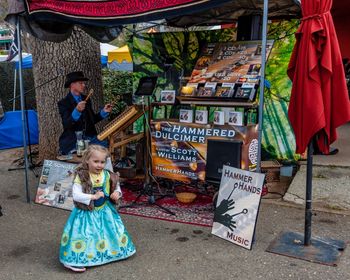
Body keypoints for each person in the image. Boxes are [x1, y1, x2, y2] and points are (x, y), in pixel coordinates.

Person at [59, 145, 136, 272]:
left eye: (102, 162)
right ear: (87, 160)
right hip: (87, 212)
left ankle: (112, 251)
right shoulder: (82, 176)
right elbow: (76, 195)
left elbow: (116, 187)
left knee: (109, 230)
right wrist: (92, 196)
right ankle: (73, 259)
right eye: (96, 161)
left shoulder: (108, 175)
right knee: (85, 235)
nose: (99, 165)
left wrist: (117, 193)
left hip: (105, 210)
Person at [58, 71, 112, 155]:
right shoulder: (64, 103)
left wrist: (103, 112)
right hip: (73, 140)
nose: (84, 85)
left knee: (107, 146)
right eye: (81, 83)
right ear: (72, 84)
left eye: (83, 83)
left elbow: (92, 120)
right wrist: (77, 111)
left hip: (90, 138)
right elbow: (67, 124)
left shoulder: (86, 99)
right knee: (84, 154)